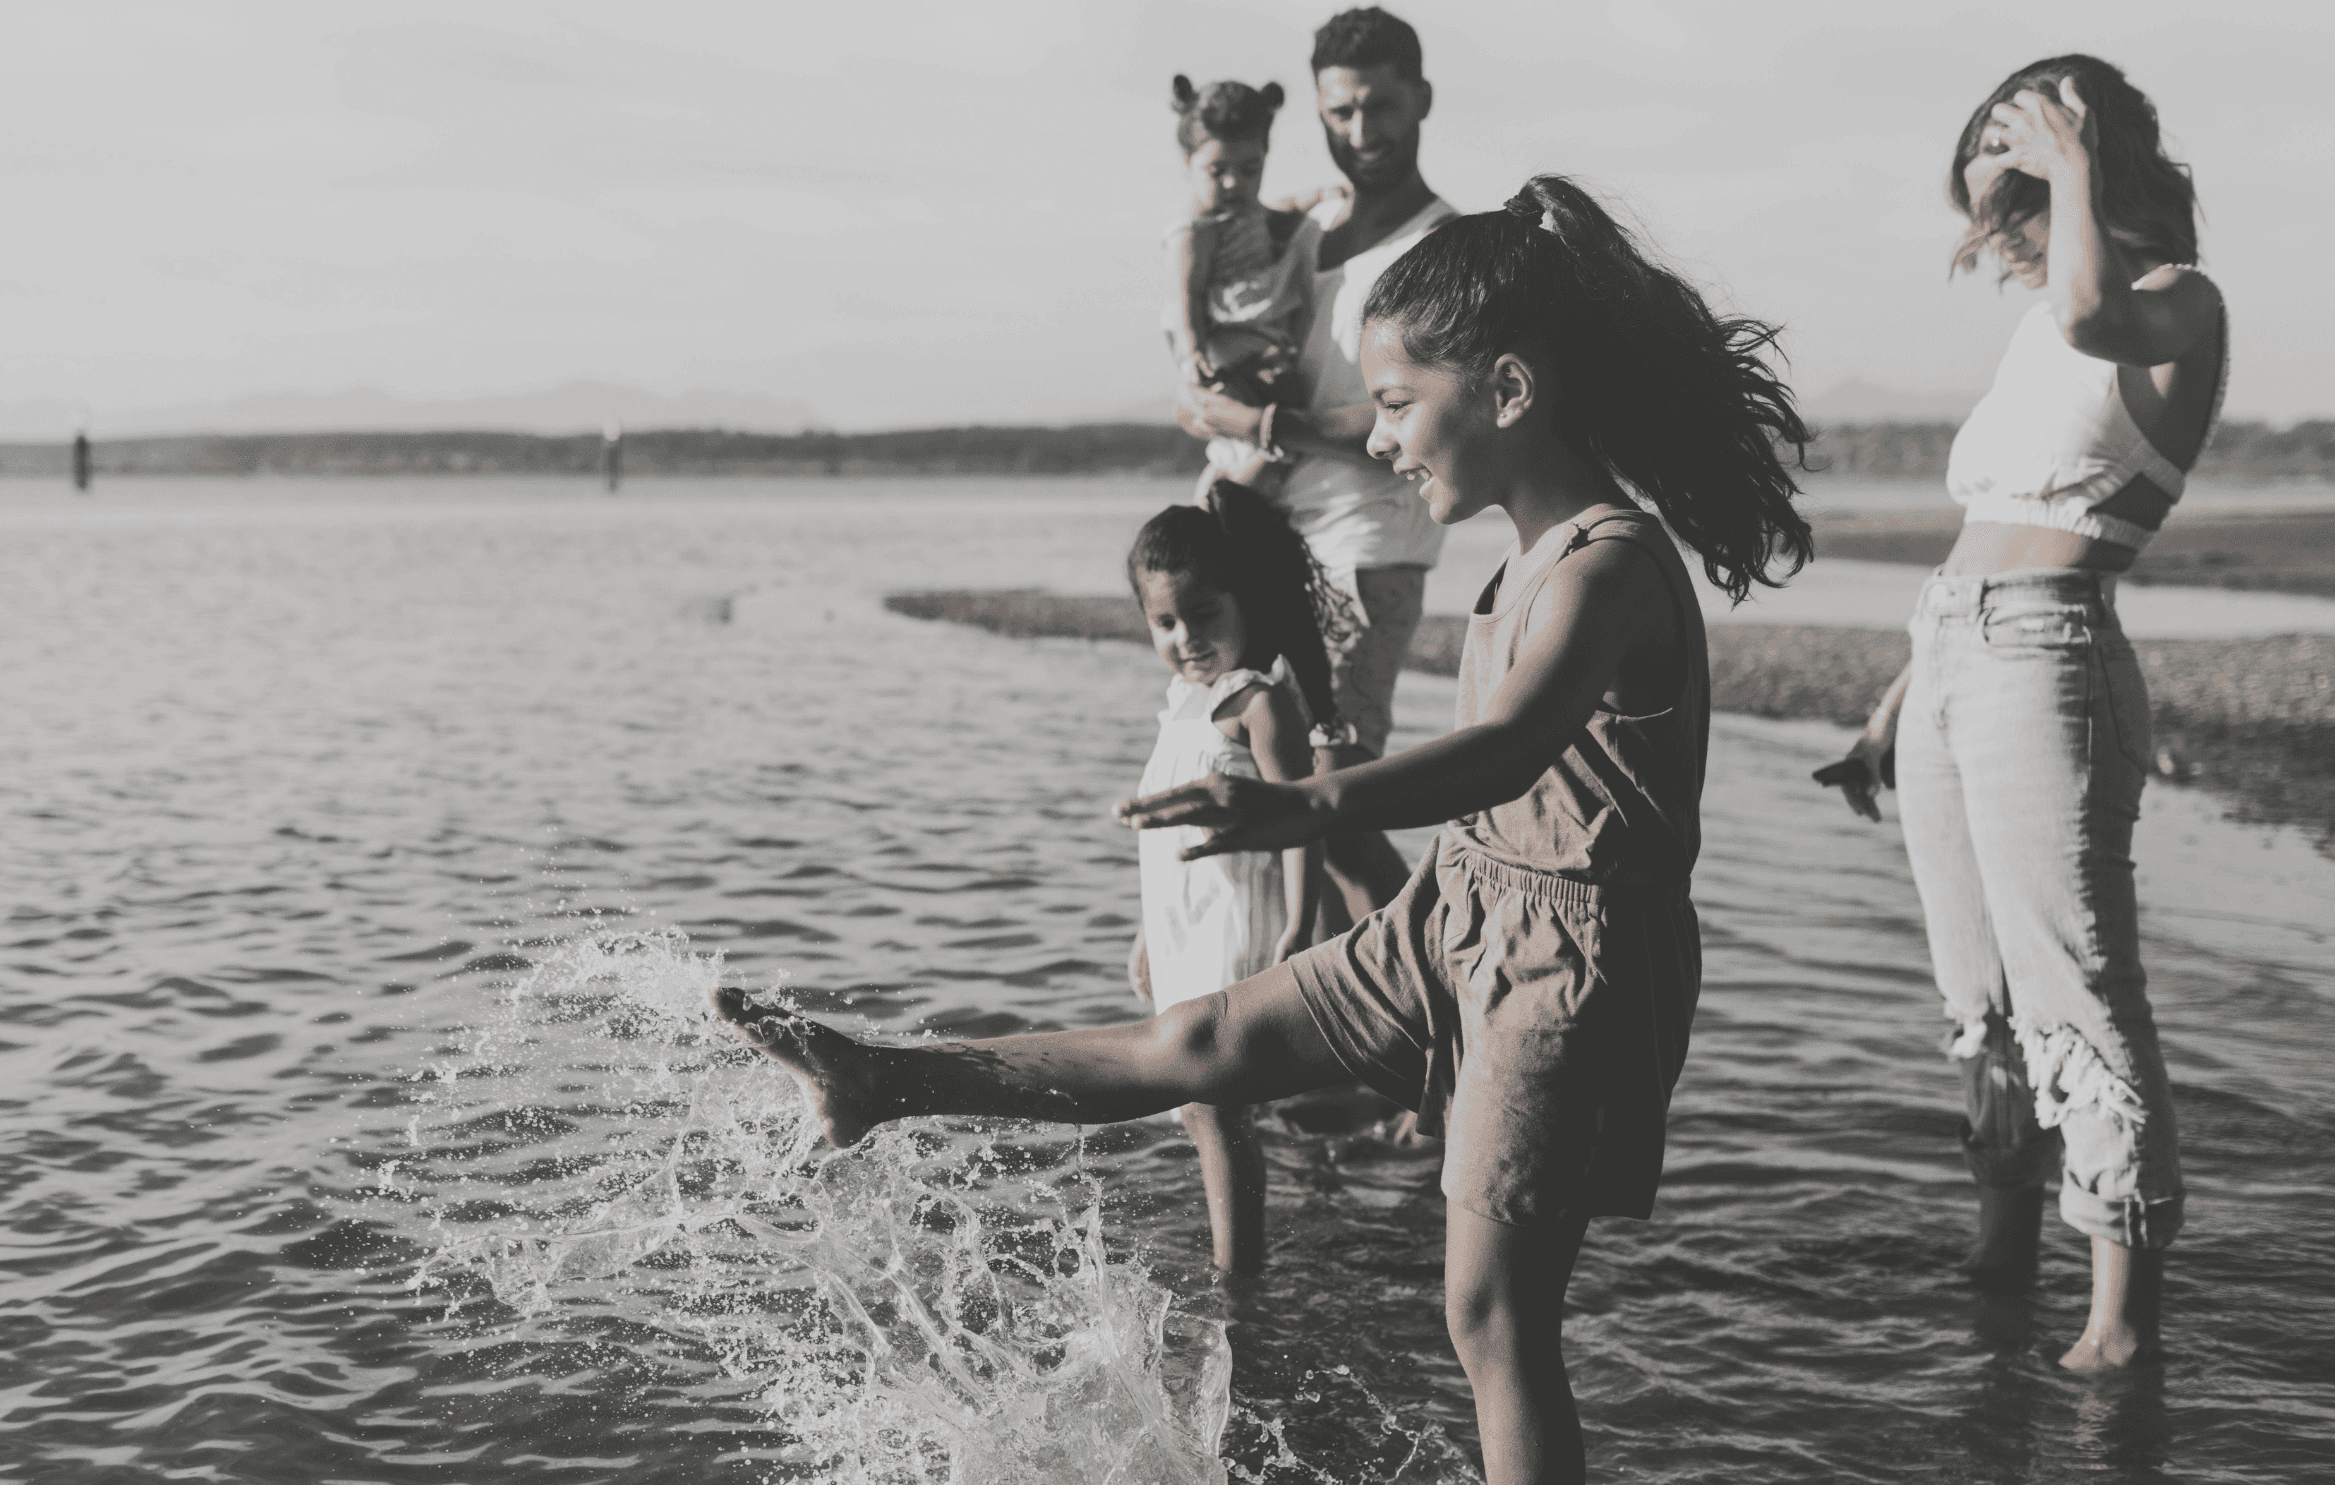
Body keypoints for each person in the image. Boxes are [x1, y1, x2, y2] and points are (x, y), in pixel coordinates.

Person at [720, 176, 1814, 1485]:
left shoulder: (1609, 562)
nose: (1385, 444)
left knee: (1492, 1315)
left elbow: (1512, 746)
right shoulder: (1520, 554)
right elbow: (1487, 762)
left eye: (1403, 408)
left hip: (1563, 969)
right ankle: (887, 1079)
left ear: (1512, 393)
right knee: (1196, 1039)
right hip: (1457, 911)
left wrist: (1300, 805)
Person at [1814, 56, 2221, 1372]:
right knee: (1977, 1001)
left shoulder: (2173, 303)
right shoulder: (2044, 322)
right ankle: (2003, 1258)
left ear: (2085, 157)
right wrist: (1901, 693)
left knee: (2081, 997)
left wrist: (2075, 154)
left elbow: (2096, 309)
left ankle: (2116, 1327)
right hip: (1954, 654)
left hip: (2050, 656)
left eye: (2021, 189)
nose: (2001, 233)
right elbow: (1982, 534)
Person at [1178, 6, 1458, 927]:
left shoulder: (1440, 247)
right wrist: (1205, 382)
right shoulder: (1311, 220)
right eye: (1340, 112)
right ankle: (1316, 1039)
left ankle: (1445, 990)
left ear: (1421, 98)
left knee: (1333, 808)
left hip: (1366, 547)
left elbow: (1412, 410)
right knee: (1255, 785)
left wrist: (1260, 420)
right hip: (1265, 537)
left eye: (1379, 106)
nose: (1361, 132)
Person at [1125, 482, 1342, 1272]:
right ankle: (1330, 1162)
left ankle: (1238, 1274)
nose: (1186, 638)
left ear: (1241, 601)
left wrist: (1298, 921)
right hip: (1185, 927)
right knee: (1199, 1106)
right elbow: (1162, 837)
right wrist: (1147, 931)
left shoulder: (1259, 703)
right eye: (1164, 622)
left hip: (1239, 927)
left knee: (1214, 1106)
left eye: (1203, 615)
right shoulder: (1181, 702)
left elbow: (1303, 817)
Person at [1165, 77, 1322, 504]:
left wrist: (1314, 197)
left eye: (1248, 170)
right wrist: (1193, 352)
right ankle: (1226, 500)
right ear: (1187, 163)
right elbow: (1187, 293)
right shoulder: (1195, 227)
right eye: (1217, 171)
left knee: (1277, 421)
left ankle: (1235, 487)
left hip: (1260, 338)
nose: (1234, 182)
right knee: (1277, 429)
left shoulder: (1245, 209)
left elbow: (1276, 212)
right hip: (1228, 349)